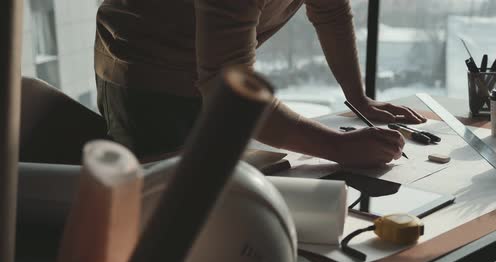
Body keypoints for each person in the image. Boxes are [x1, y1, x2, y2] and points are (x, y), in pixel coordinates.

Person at [95, 0, 427, 167]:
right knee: (166, 217)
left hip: (205, 66)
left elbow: (332, 14)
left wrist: (359, 98)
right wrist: (339, 147)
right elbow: (229, 96)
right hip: (147, 72)